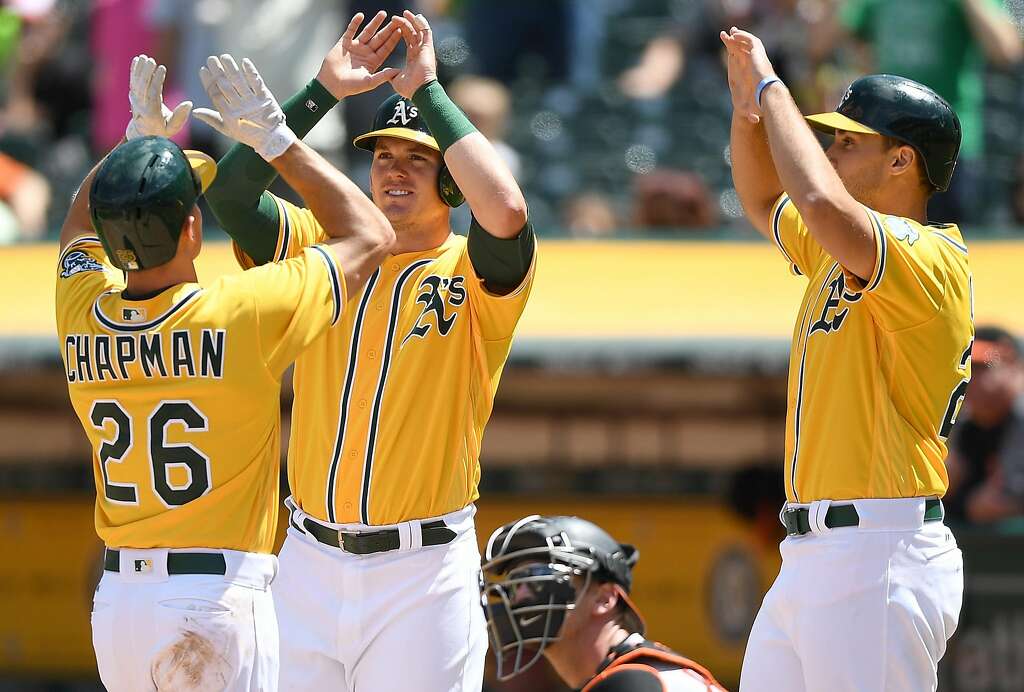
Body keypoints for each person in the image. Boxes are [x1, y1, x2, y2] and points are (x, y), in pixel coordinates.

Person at [200, 11, 535, 691]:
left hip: (421, 571)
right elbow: (232, 197)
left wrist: (432, 93)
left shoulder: (471, 273)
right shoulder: (321, 249)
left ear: (449, 180)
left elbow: (506, 211)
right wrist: (319, 91)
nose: (394, 171)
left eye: (417, 158)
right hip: (306, 560)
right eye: (384, 156)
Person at [56, 54, 393, 691]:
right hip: (211, 600)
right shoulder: (241, 309)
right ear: (190, 228)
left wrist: (133, 148)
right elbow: (371, 233)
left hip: (119, 605)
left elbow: (76, 226)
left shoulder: (83, 311)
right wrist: (277, 140)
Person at [722, 28, 973, 692]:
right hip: (814, 550)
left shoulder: (930, 255)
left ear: (902, 163)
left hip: (878, 549)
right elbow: (761, 200)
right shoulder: (841, 247)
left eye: (849, 141)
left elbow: (817, 201)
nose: (831, 149)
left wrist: (773, 89)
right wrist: (748, 113)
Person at [481, 515, 727, 691]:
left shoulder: (632, 681)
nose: (521, 594)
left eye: (537, 576)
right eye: (515, 583)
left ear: (605, 598)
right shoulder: (635, 671)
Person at [945, 326, 1024, 523]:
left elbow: (997, 501)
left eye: (983, 367)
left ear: (1014, 365)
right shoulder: (965, 423)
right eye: (965, 368)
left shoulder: (1018, 415)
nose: (970, 378)